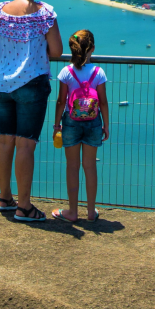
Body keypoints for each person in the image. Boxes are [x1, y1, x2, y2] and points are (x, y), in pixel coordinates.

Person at [0, 0, 63, 223]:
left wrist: (2, 75)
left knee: (5, 139)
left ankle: (4, 198)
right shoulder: (44, 14)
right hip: (31, 83)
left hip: (1, 85)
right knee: (25, 144)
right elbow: (56, 51)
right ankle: (24, 207)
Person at [51, 29, 109, 223]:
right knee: (90, 167)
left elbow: (61, 101)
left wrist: (57, 124)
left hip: (71, 123)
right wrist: (106, 126)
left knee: (72, 167)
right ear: (92, 49)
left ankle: (72, 212)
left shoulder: (66, 73)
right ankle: (91, 213)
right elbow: (103, 102)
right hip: (93, 123)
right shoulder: (98, 72)